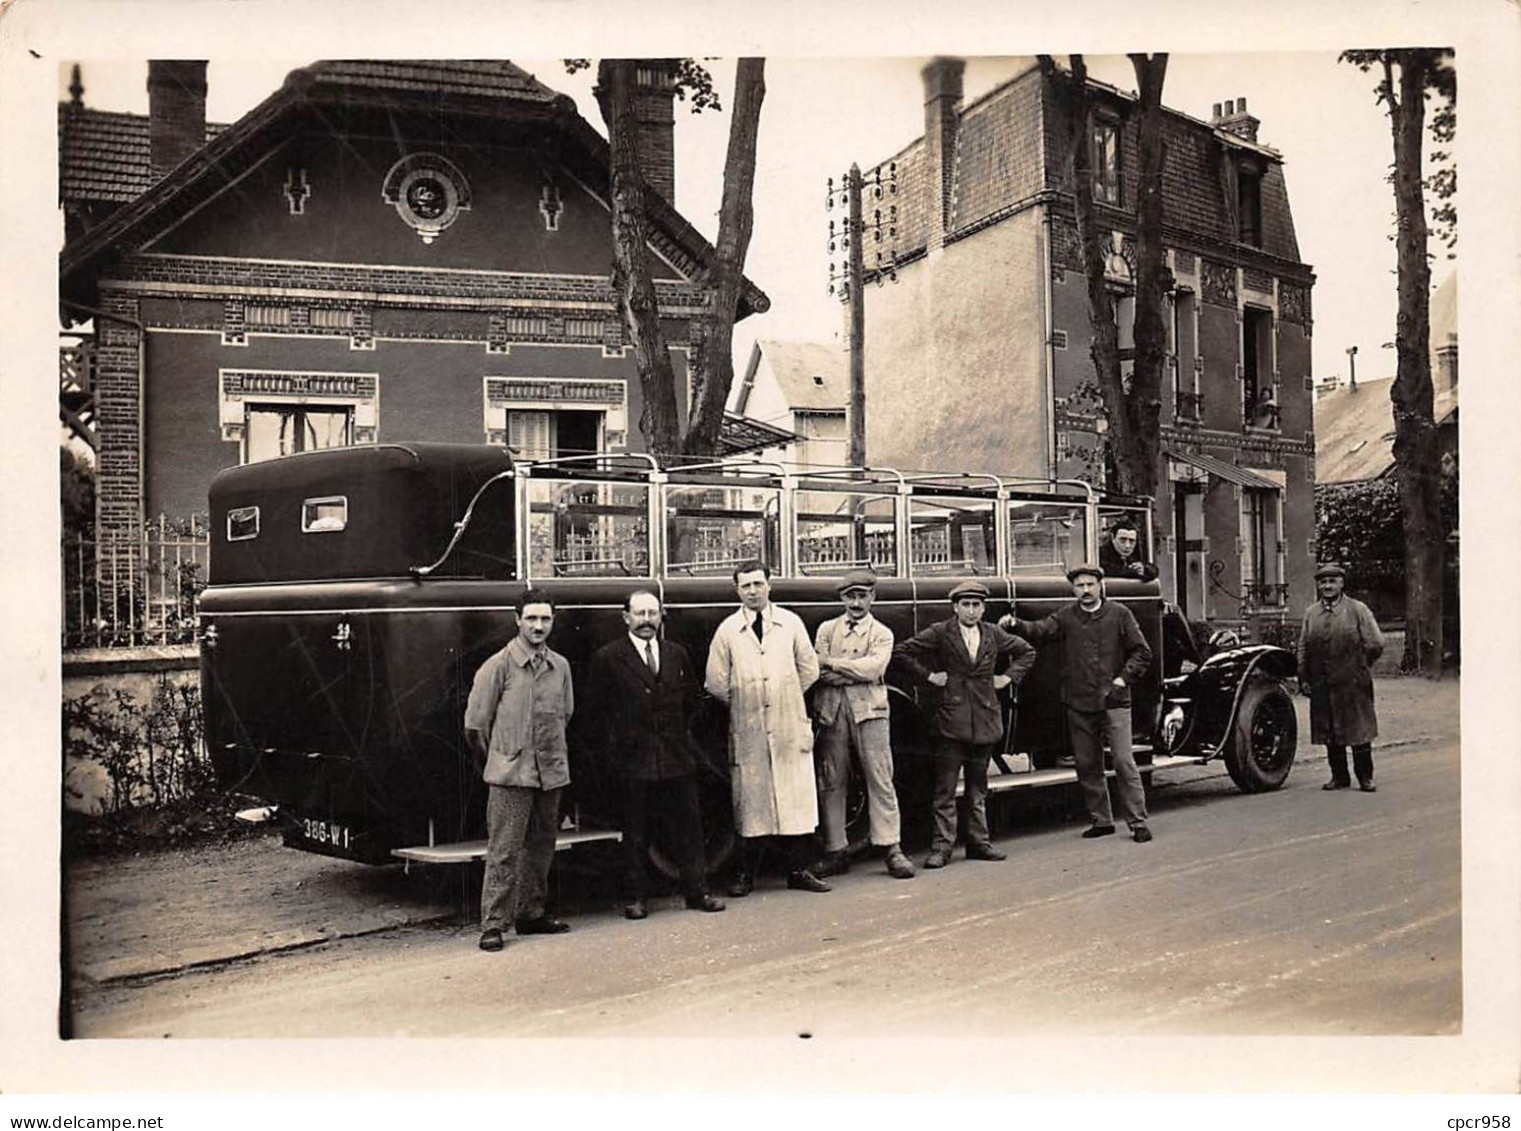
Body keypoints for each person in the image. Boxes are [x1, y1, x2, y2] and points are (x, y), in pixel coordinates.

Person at [583, 590, 726, 920]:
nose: (646, 620)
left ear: (661, 616)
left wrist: (678, 738)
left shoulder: (676, 654)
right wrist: (618, 748)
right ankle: (635, 897)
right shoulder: (608, 658)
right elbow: (594, 713)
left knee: (689, 828)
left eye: (652, 613)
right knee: (636, 831)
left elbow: (692, 703)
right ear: (626, 617)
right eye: (640, 613)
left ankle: (697, 891)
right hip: (633, 760)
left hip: (676, 756)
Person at [999, 564, 1155, 843]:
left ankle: (1138, 822)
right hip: (1079, 701)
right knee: (1086, 762)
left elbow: (1142, 652)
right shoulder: (1067, 616)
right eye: (1080, 586)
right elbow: (1041, 630)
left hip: (1115, 701)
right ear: (1073, 589)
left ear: (1100, 586)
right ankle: (1101, 820)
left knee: (1123, 761)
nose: (1085, 590)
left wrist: (1122, 681)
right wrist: (1015, 624)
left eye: (1090, 585)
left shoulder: (1120, 614)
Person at [704, 559, 831, 897]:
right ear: (737, 590)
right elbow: (716, 682)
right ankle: (746, 874)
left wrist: (782, 695)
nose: (752, 591)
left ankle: (798, 871)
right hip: (748, 725)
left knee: (794, 801)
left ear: (769, 585)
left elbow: (810, 669)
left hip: (788, 723)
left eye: (758, 584)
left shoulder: (790, 623)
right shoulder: (728, 630)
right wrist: (749, 701)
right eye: (745, 586)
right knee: (752, 803)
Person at [893, 580, 1036, 869]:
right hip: (951, 720)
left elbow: (1027, 652)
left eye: (976, 605)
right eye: (965, 605)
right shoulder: (941, 632)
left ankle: (978, 843)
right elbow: (902, 652)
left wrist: (1007, 678)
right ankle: (942, 848)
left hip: (984, 719)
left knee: (977, 788)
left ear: (983, 608)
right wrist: (930, 676)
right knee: (945, 788)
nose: (971, 611)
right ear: (955, 607)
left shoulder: (993, 633)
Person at [465, 588, 574, 953]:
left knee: (542, 846)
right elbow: (476, 726)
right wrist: (500, 762)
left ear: (553, 621)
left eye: (545, 619)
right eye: (531, 618)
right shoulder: (498, 666)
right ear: (517, 620)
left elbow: (566, 714)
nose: (538, 626)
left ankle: (531, 914)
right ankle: (493, 924)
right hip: (511, 775)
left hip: (550, 772)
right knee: (504, 850)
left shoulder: (560, 666)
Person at [811, 569, 916, 881]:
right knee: (832, 778)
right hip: (832, 709)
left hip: (870, 710)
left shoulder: (882, 633)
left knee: (880, 776)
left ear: (873, 597)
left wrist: (833, 664)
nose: (856, 602)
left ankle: (891, 848)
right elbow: (817, 669)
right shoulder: (827, 629)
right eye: (850, 596)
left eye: (862, 596)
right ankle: (835, 850)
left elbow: (873, 669)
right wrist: (844, 669)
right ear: (842, 598)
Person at [1298, 562, 1385, 792]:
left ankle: (1365, 777)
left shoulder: (1358, 610)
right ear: (1318, 585)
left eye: (1332, 581)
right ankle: (1339, 777)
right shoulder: (1311, 613)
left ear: (1342, 583)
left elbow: (1376, 643)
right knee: (1330, 731)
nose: (1327, 586)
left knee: (1359, 730)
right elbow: (1303, 648)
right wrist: (1304, 677)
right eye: (1323, 582)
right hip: (1322, 682)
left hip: (1353, 682)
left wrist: (1361, 667)